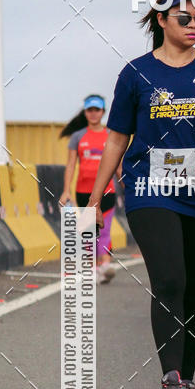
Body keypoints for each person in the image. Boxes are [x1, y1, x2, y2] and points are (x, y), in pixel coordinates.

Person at [88, 0, 195, 389]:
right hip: (150, 189)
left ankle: (187, 383)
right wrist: (93, 197)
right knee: (169, 279)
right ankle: (169, 377)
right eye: (184, 18)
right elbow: (118, 138)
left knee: (194, 290)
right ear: (160, 18)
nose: (194, 26)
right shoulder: (136, 73)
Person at [59, 95, 120, 284]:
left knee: (105, 228)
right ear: (85, 113)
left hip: (107, 190)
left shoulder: (111, 135)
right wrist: (65, 190)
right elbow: (70, 165)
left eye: (97, 110)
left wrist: (126, 183)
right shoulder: (78, 137)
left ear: (103, 112)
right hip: (84, 191)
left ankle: (106, 265)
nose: (93, 114)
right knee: (88, 229)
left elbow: (118, 164)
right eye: (90, 110)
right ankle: (93, 267)